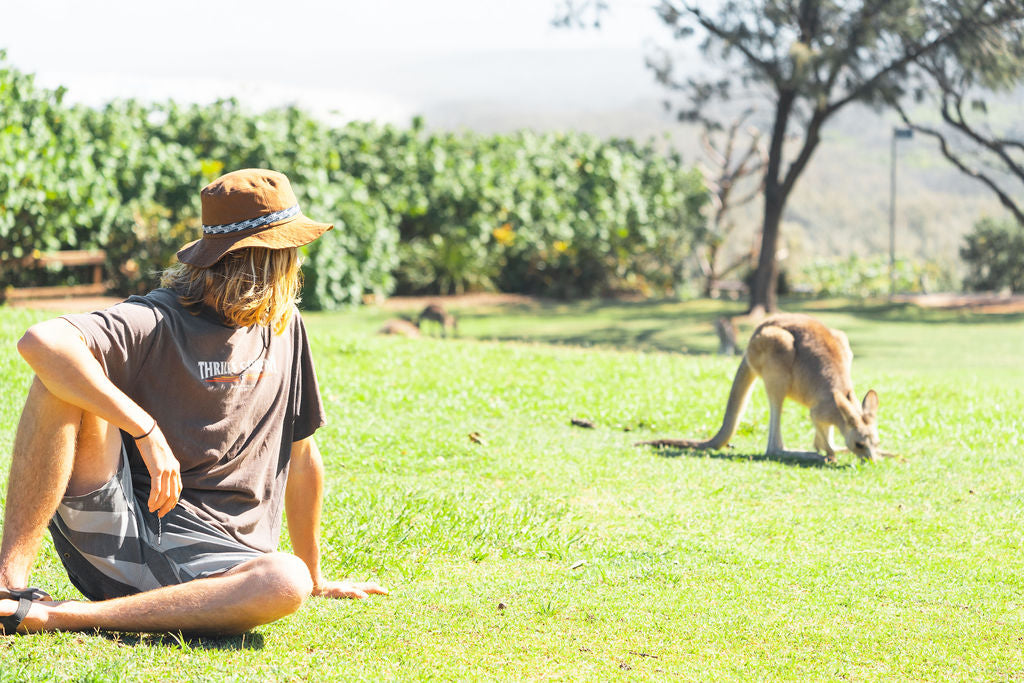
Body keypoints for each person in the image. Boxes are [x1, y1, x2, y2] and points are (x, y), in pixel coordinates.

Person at [0, 168, 386, 636]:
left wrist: (316, 575)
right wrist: (145, 429)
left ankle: (57, 617)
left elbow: (302, 457)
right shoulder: (158, 319)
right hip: (124, 533)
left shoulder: (286, 326)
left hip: (221, 566)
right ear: (271, 259)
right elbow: (41, 341)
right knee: (63, 376)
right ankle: (8, 586)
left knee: (286, 579)